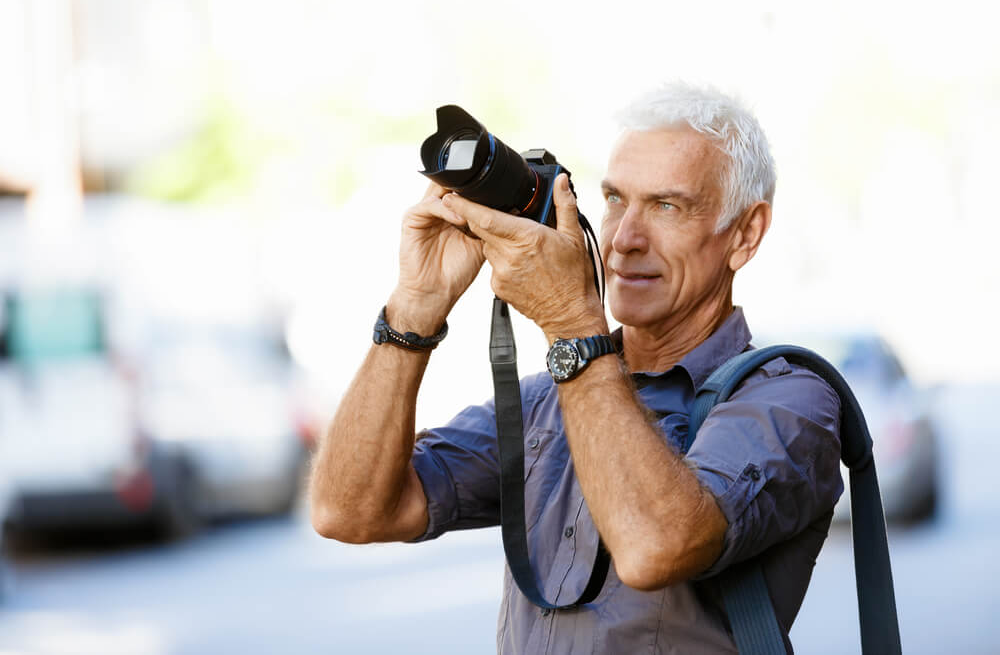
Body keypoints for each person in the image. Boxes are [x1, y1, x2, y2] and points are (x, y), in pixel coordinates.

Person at [309, 82, 843, 653]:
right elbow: (349, 512)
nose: (623, 240)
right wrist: (413, 310)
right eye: (615, 200)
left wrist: (570, 319)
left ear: (745, 233)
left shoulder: (790, 401)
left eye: (667, 206)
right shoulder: (546, 401)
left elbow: (653, 547)